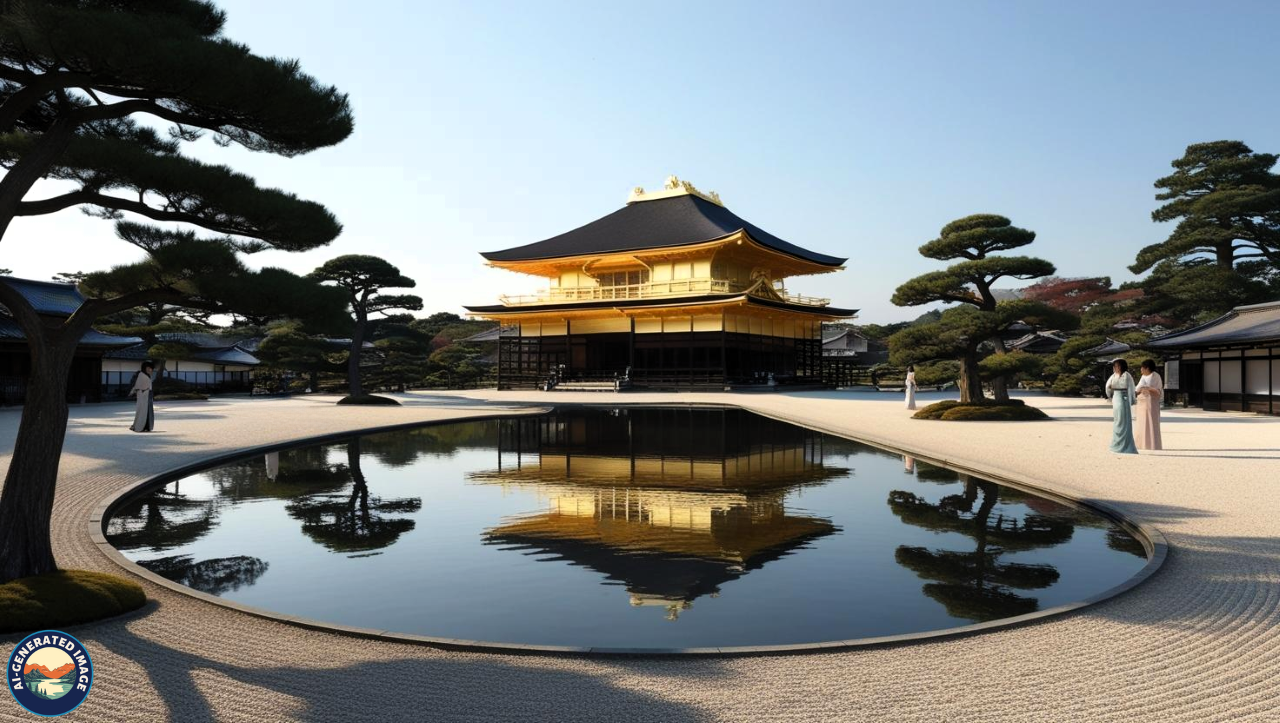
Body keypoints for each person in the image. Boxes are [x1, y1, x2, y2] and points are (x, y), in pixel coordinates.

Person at [1104, 359, 1137, 454]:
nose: (1115, 368)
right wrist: (1109, 394)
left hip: (1124, 398)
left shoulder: (1127, 375)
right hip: (1116, 398)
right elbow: (1107, 387)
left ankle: (1125, 446)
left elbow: (1131, 388)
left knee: (1123, 421)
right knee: (1117, 420)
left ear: (1122, 366)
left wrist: (1131, 400)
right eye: (1114, 366)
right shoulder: (1113, 376)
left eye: (1117, 366)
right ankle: (1116, 445)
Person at [1135, 359, 1164, 451]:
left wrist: (1148, 388)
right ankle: (1141, 444)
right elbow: (1137, 388)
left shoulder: (1156, 376)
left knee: (1152, 422)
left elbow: (1158, 390)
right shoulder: (1143, 376)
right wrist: (1139, 389)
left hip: (1152, 402)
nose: (1141, 370)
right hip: (1142, 402)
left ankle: (1152, 444)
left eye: (1142, 367)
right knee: (1142, 422)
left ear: (1147, 368)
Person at [128, 361, 155, 433]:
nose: (151, 370)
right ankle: (139, 426)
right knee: (142, 411)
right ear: (145, 368)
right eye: (149, 368)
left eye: (151, 368)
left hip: (148, 395)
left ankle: (147, 426)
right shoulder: (141, 375)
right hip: (142, 396)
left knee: (148, 412)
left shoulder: (148, 376)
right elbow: (138, 385)